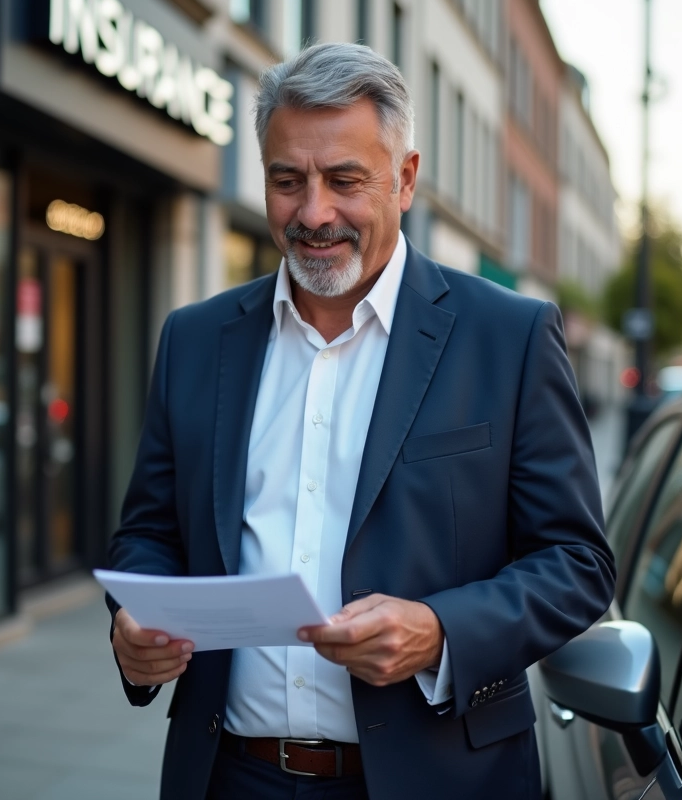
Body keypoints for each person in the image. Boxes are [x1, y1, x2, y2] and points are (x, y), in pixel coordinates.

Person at [108, 42, 615, 800]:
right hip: (229, 776)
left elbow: (577, 563)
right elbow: (147, 533)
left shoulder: (506, 337)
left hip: (440, 778)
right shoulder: (196, 338)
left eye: (345, 180)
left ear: (405, 178)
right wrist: (132, 625)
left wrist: (440, 630)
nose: (313, 214)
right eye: (288, 181)